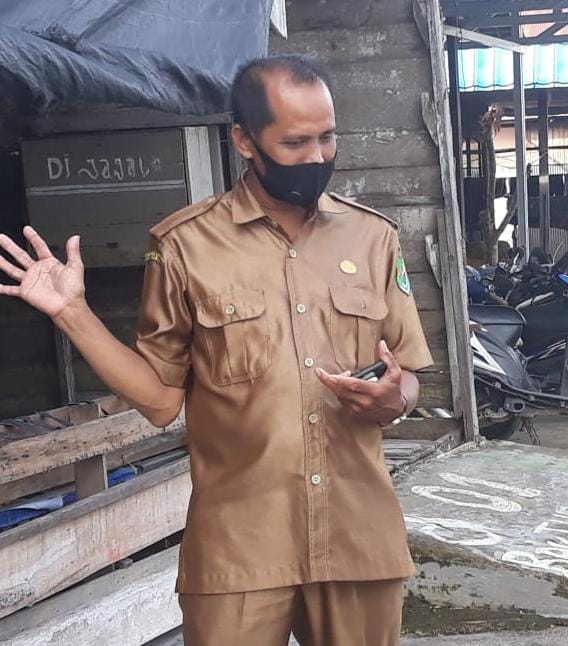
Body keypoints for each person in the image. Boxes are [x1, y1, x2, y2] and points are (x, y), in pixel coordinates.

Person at [0, 55, 433, 646]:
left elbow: (408, 372)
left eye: (328, 137)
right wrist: (72, 314)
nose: (317, 157)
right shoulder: (184, 246)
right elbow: (159, 400)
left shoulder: (373, 237)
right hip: (239, 548)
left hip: (358, 536)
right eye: (295, 142)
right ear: (244, 141)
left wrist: (393, 400)